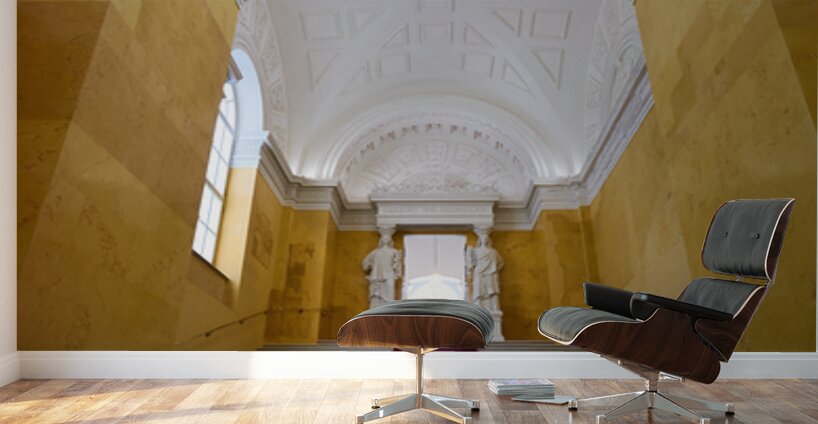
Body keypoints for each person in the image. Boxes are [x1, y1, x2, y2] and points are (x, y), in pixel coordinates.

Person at [362, 230, 402, 307]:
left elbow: (398, 264)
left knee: (390, 293)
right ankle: (376, 309)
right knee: (376, 293)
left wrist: (397, 273)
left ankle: (388, 309)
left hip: (389, 274)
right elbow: (365, 261)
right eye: (384, 238)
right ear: (381, 240)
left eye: (387, 238)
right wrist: (370, 265)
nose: (385, 239)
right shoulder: (376, 252)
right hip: (376, 275)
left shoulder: (394, 251)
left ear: (390, 240)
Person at [466, 231, 504, 311]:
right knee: (479, 291)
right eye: (482, 238)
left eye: (486, 238)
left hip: (490, 274)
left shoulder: (493, 252)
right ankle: (479, 308)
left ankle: (494, 308)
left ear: (488, 240)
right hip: (480, 273)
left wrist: (494, 269)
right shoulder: (475, 251)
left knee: (491, 291)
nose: (484, 240)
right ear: (480, 240)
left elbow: (500, 263)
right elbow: (471, 262)